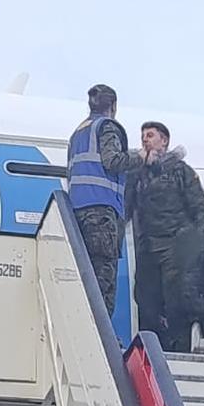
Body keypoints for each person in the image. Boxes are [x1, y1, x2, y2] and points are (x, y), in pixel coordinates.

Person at [125, 122, 204, 354]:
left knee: (177, 304)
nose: (145, 140)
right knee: (145, 302)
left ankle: (178, 352)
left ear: (164, 141)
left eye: (150, 135)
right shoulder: (137, 173)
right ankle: (150, 352)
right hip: (148, 248)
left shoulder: (181, 171)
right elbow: (125, 208)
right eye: (143, 136)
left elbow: (201, 210)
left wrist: (198, 247)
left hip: (175, 246)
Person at [67, 83, 132, 311]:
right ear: (113, 106)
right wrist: (142, 157)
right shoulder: (106, 127)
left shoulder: (78, 133)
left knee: (84, 282)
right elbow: (113, 160)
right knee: (103, 285)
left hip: (78, 214)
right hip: (102, 213)